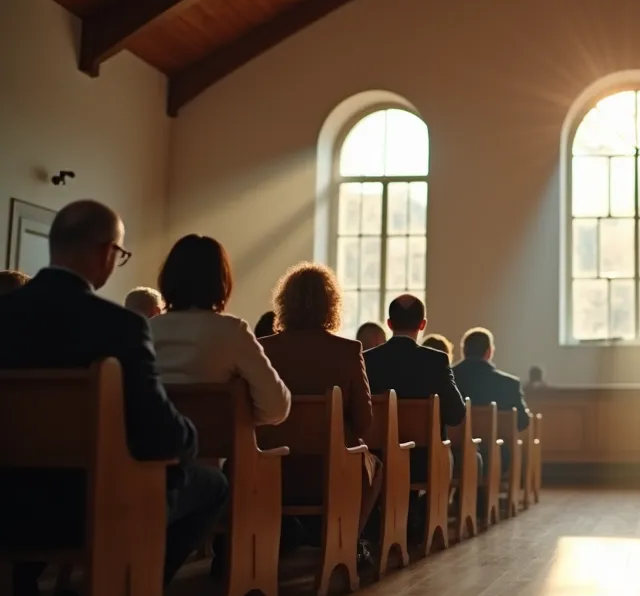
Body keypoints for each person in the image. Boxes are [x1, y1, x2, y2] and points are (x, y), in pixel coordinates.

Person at [0, 200, 224, 596]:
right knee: (210, 483)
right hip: (88, 503)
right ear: (106, 252)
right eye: (119, 255)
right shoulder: (118, 325)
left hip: (7, 502)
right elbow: (159, 433)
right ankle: (129, 594)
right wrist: (192, 438)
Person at [259, 263, 381, 564]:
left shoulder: (263, 349)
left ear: (283, 304)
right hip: (331, 472)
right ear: (332, 305)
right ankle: (350, 540)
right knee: (376, 465)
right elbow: (364, 423)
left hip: (270, 471)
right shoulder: (347, 351)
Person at [149, 234, 290, 425]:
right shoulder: (232, 331)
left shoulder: (148, 329)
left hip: (155, 448)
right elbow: (276, 407)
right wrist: (240, 417)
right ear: (221, 281)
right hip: (215, 450)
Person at [363, 295, 467, 484]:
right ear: (422, 325)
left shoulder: (367, 360)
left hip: (377, 460)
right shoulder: (436, 361)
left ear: (389, 323)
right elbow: (456, 414)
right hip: (424, 462)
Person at [454, 327, 531, 433]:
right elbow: (522, 421)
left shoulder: (446, 379)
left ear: (464, 351)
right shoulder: (508, 384)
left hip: (452, 448)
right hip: (496, 447)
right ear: (489, 352)